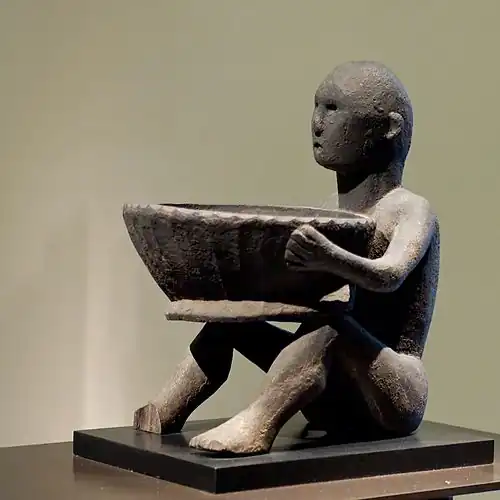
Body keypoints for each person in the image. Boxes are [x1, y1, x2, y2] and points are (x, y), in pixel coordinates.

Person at [134, 61, 440, 455]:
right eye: (317, 107)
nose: (318, 123)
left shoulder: (408, 209)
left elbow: (390, 274)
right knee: (229, 324)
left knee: (332, 325)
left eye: (333, 109)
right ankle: (165, 412)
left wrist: (328, 257)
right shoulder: (331, 210)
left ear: (389, 128)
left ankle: (258, 423)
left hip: (392, 395)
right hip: (328, 392)